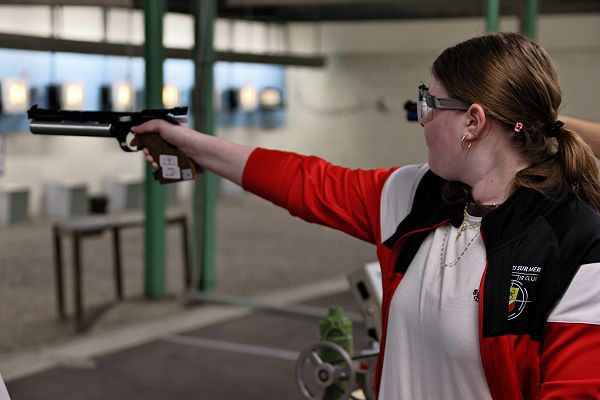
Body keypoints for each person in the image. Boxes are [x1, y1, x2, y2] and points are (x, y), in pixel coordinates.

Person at [132, 32, 600, 399]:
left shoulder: (578, 246)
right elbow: (305, 182)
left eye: (431, 103)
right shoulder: (415, 194)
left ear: (473, 122)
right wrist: (194, 144)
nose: (423, 118)